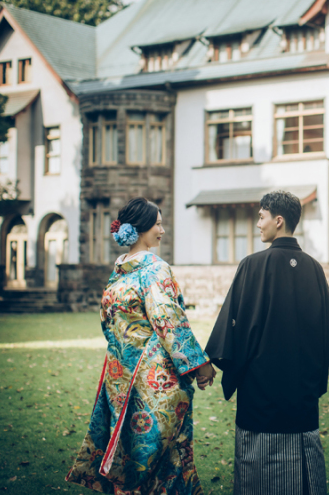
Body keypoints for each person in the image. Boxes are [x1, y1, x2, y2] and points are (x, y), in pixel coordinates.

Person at [66, 197, 217, 495]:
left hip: (119, 374)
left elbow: (107, 323)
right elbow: (169, 321)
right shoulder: (155, 269)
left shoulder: (118, 274)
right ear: (142, 228)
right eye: (157, 224)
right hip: (153, 377)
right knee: (164, 452)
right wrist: (200, 365)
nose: (162, 230)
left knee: (129, 447)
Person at [204, 190, 329, 495]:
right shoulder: (315, 269)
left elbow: (232, 331)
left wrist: (216, 365)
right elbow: (326, 338)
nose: (258, 224)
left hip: (260, 393)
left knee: (259, 477)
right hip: (302, 392)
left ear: (278, 220)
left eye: (261, 217)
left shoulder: (251, 266)